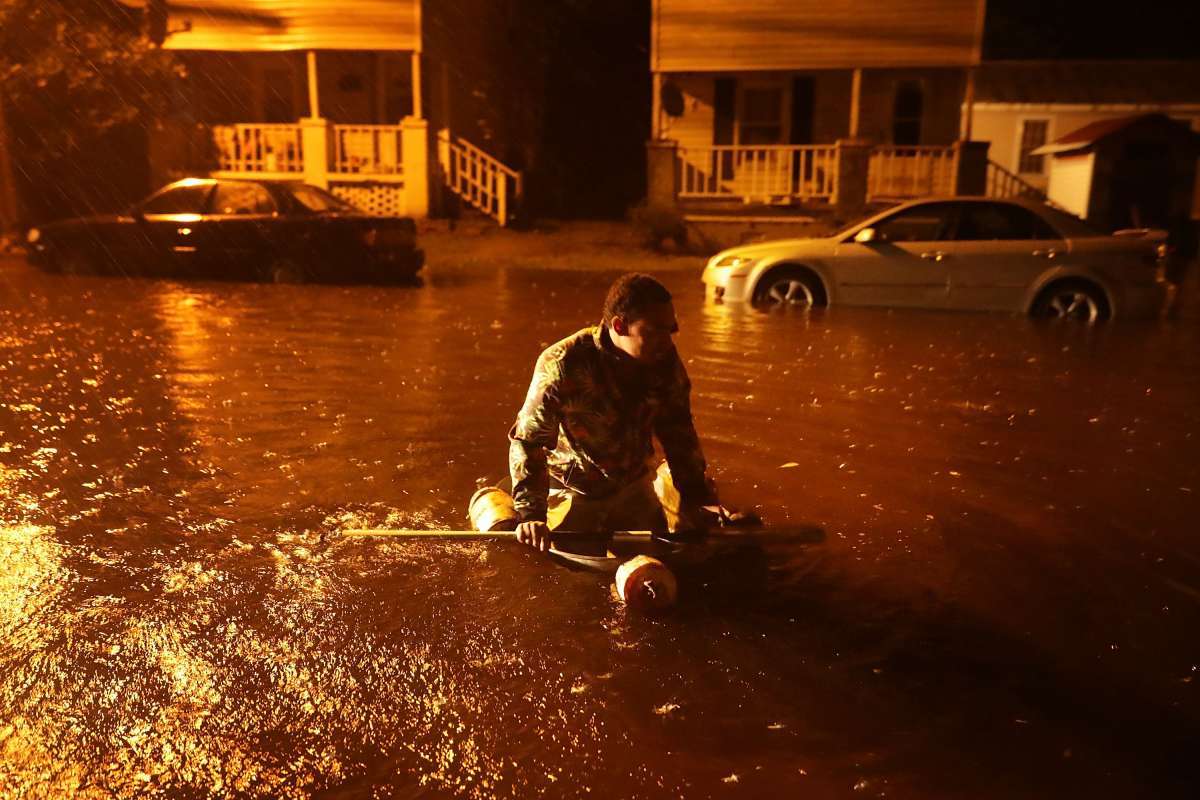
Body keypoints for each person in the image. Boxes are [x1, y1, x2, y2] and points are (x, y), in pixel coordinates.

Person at [507, 273, 719, 551]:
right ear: (619, 326)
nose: (666, 342)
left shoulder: (664, 361)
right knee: (569, 569)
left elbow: (679, 432)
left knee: (671, 553)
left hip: (632, 485)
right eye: (654, 331)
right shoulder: (562, 363)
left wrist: (697, 498)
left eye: (671, 330)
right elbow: (528, 441)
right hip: (575, 491)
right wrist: (531, 515)